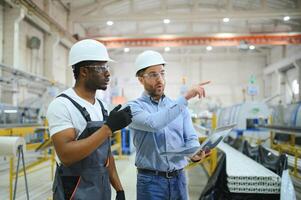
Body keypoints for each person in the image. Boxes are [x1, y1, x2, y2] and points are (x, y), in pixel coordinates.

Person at [47, 39, 132, 200]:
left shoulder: (101, 106)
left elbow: (105, 155)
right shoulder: (62, 105)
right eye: (102, 67)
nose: (108, 73)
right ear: (84, 71)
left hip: (101, 188)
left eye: (107, 67)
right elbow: (66, 155)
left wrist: (119, 188)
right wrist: (107, 129)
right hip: (74, 190)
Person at [127, 50, 210, 200]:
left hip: (179, 178)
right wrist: (186, 97)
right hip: (150, 182)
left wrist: (194, 153)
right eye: (153, 74)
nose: (160, 79)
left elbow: (190, 136)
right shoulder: (133, 108)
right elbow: (154, 123)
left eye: (162, 73)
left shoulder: (178, 107)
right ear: (141, 79)